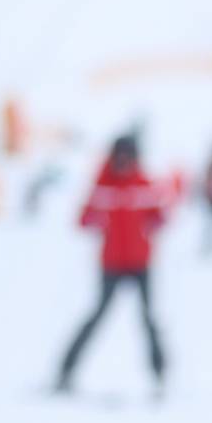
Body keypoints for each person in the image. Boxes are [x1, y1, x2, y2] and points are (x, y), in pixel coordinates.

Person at [56, 134, 170, 395]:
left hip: (141, 263)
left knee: (149, 319)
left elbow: (160, 217)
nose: (123, 161)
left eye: (128, 156)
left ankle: (160, 375)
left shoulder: (144, 183)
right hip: (112, 264)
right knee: (96, 316)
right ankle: (66, 370)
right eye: (119, 156)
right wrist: (99, 219)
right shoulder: (102, 185)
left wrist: (151, 225)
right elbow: (83, 219)